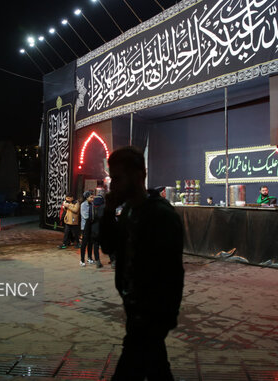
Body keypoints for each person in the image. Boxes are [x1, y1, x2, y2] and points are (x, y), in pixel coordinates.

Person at [100, 146, 184, 380]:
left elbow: (172, 272)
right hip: (135, 309)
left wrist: (164, 316)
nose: (113, 185)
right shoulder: (128, 211)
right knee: (157, 369)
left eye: (117, 178)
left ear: (138, 176)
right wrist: (107, 212)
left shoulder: (161, 216)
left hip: (150, 315)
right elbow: (109, 247)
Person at [90, 191, 104, 269]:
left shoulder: (92, 208)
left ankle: (97, 261)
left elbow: (89, 219)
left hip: (94, 230)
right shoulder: (104, 208)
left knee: (95, 246)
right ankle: (113, 261)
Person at [80, 191, 95, 266]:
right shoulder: (83, 205)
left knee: (90, 242)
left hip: (91, 225)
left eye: (93, 197)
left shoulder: (92, 204)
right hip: (85, 226)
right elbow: (85, 216)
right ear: (86, 197)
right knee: (84, 243)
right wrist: (93, 219)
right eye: (91, 197)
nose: (92, 199)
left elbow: (93, 215)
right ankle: (82, 260)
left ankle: (89, 258)